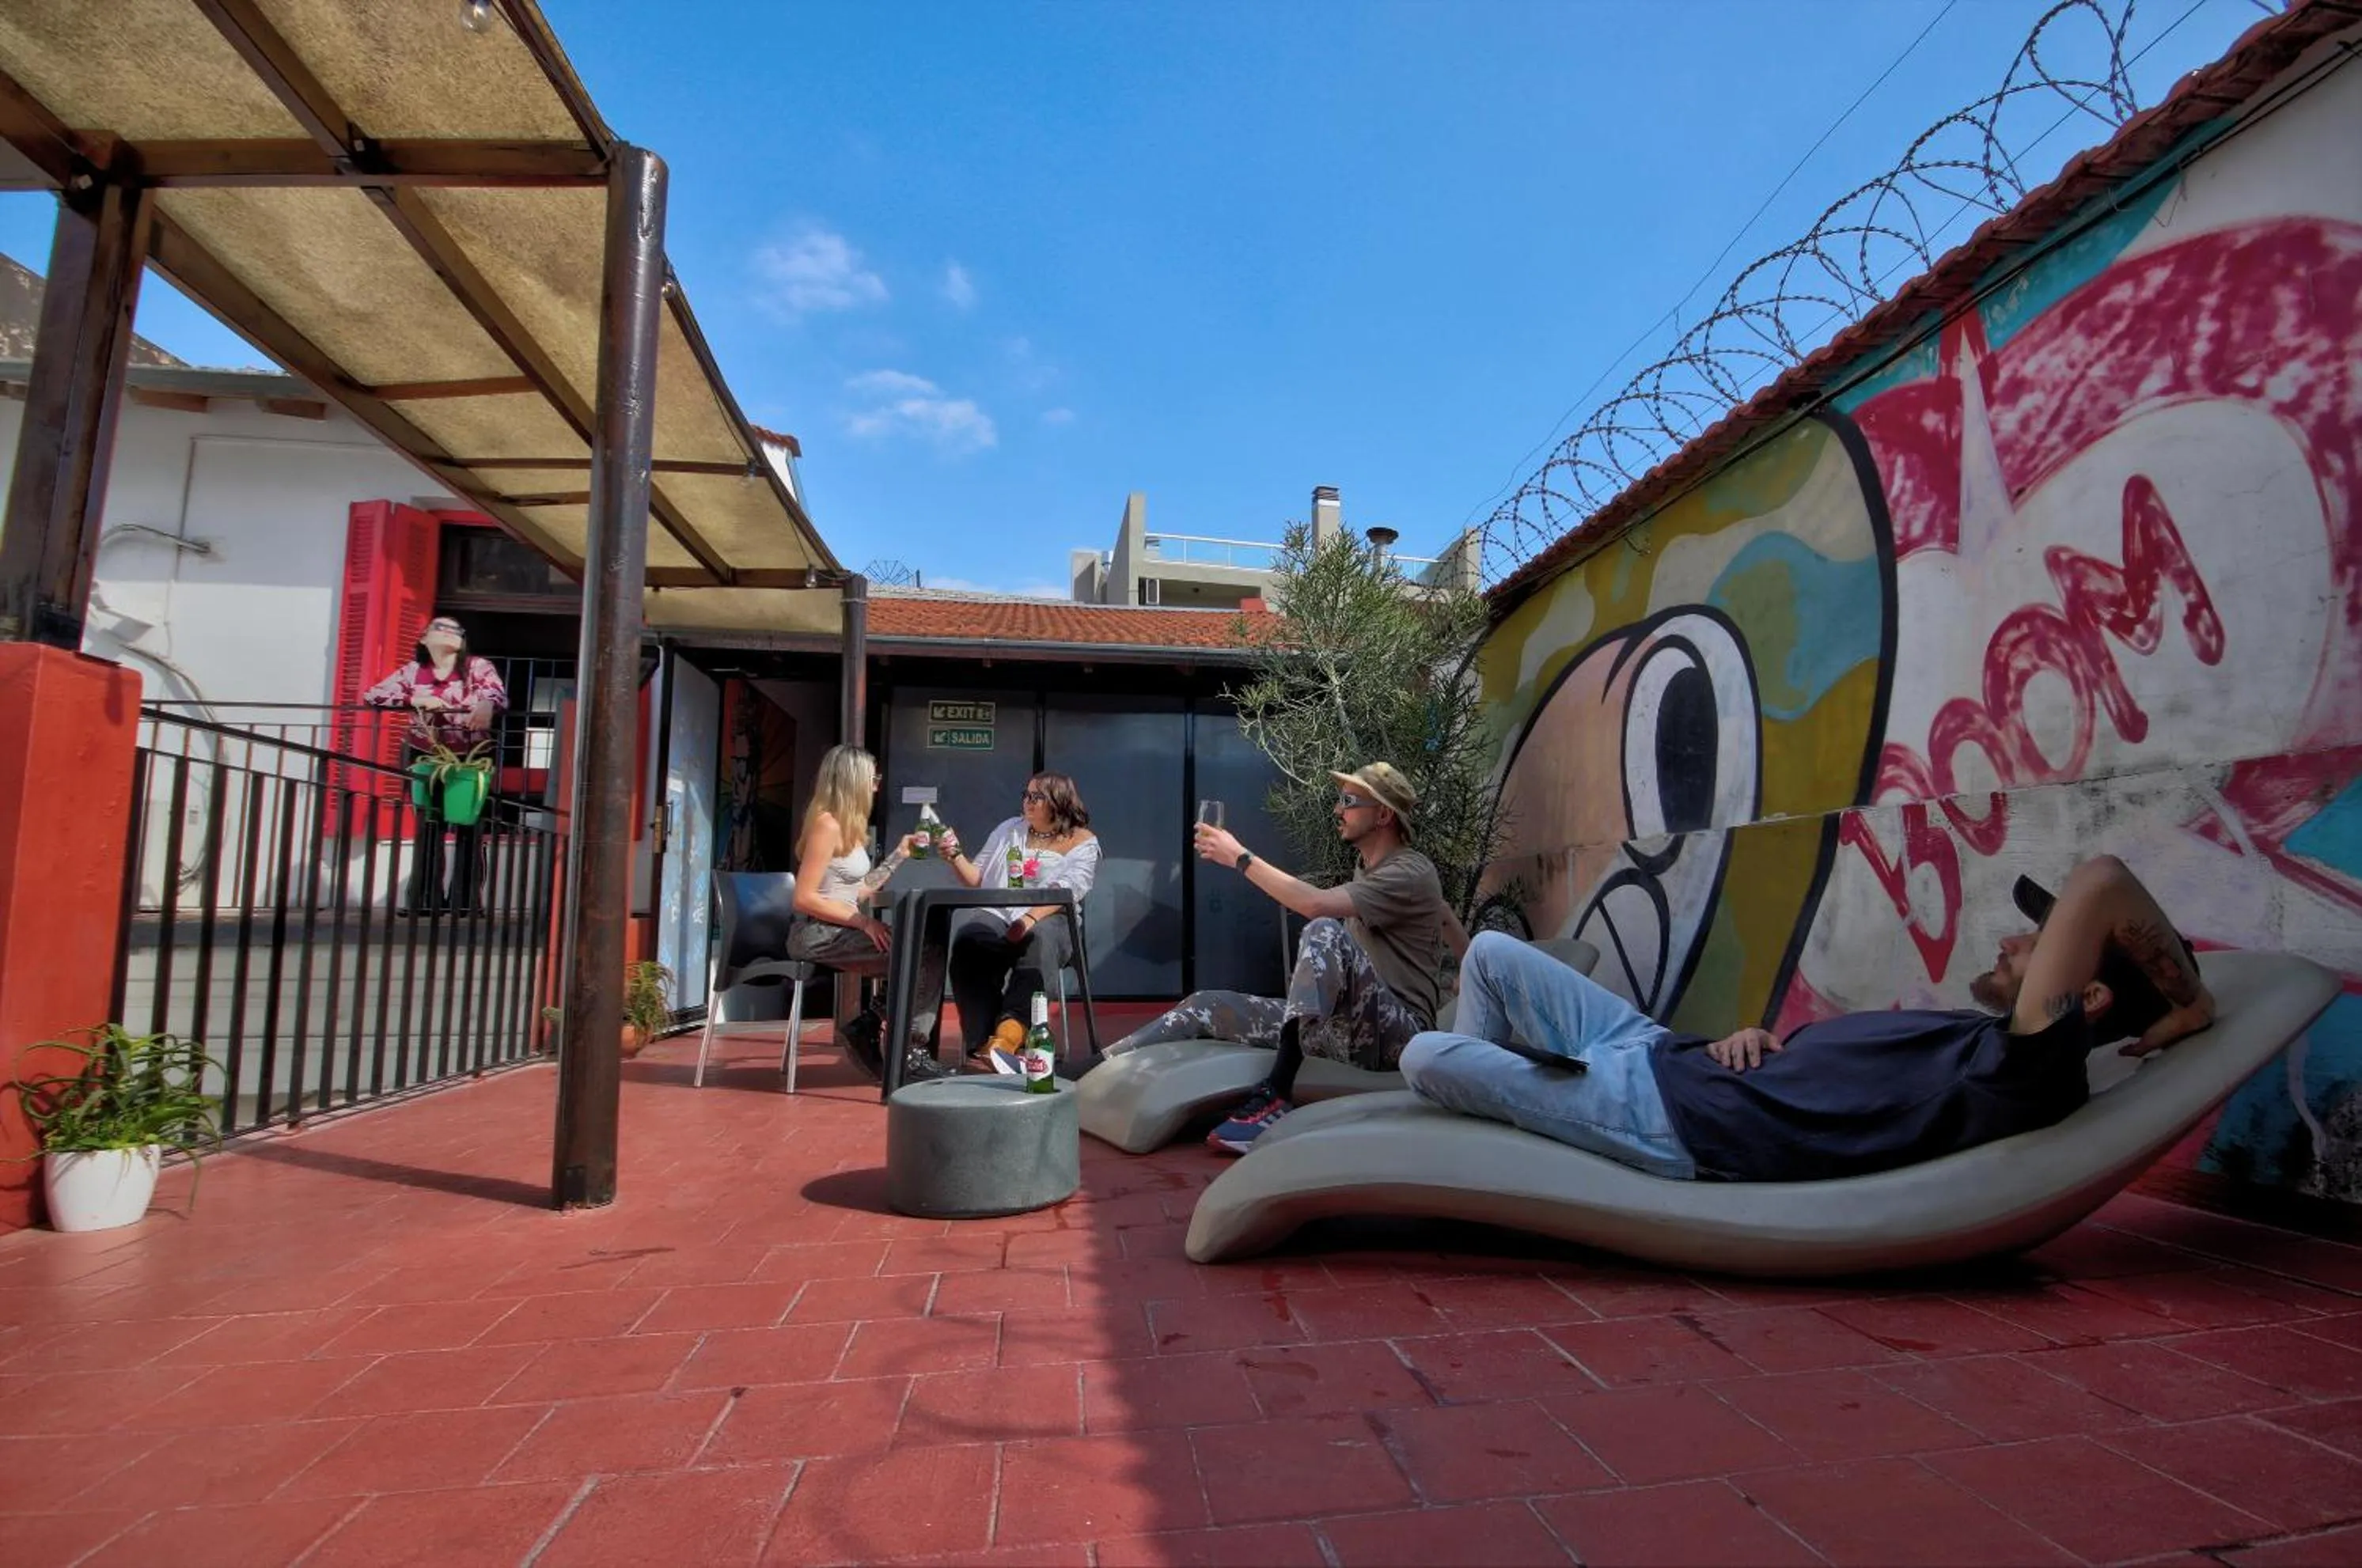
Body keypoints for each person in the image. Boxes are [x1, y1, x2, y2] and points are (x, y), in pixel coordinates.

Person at [1398, 854, 2214, 1182]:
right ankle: (1492, 1140)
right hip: (1665, 1053)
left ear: (2087, 999)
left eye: (2036, 943)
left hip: (1666, 1116)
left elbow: (2104, 880)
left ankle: (1492, 1142)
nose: (2009, 941)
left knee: (1425, 1055)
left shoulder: (2030, 1069)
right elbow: (1827, 1081)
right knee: (1490, 954)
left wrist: (2189, 1001)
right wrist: (1766, 1039)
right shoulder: (1983, 1043)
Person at [1103, 761, 1460, 1154]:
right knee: (1206, 1005)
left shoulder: (1410, 870)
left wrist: (1240, 857)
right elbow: (1441, 911)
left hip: (1400, 1038)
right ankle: (1095, 1065)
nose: (1337, 810)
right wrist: (1468, 965)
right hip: (1343, 1028)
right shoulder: (1370, 869)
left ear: (1384, 815)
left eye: (1348, 802)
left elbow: (1315, 905)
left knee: (1324, 930)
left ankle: (1277, 1093)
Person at [787, 744, 947, 1085]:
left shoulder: (850, 828)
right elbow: (803, 897)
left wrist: (898, 856)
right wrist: (864, 922)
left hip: (837, 928)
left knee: (926, 945)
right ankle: (908, 1051)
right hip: (817, 933)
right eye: (873, 778)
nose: (877, 785)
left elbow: (857, 892)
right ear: (853, 780)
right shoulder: (827, 825)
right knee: (920, 954)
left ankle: (871, 1024)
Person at [929, 773, 1101, 1073]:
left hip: (1053, 917)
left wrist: (1029, 918)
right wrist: (954, 855)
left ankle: (1009, 1036)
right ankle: (985, 1042)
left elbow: (1071, 888)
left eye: (1037, 797)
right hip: (1001, 912)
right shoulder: (1008, 829)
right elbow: (976, 878)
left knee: (1040, 941)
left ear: (1059, 802)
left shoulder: (1082, 840)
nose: (1028, 802)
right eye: (1026, 795)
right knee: (969, 941)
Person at [360, 614, 507, 915]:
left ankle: (465, 901)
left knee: (470, 825)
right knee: (429, 825)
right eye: (442, 627)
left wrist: (486, 704)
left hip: (471, 756)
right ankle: (425, 899)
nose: (451, 632)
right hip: (424, 754)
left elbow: (496, 693)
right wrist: (418, 700)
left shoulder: (477, 667)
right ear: (424, 638)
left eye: (457, 630)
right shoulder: (413, 671)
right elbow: (373, 696)